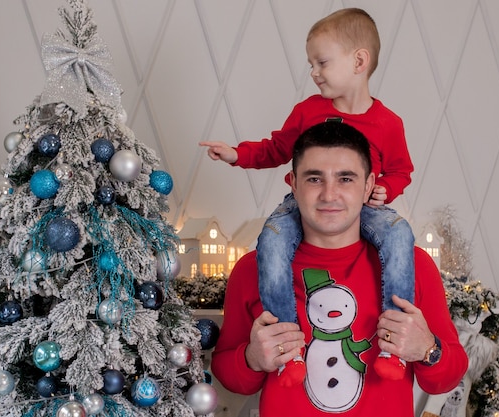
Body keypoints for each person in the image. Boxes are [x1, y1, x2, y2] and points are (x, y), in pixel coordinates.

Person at [200, 8, 414, 383]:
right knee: (272, 237)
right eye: (311, 64)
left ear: (359, 61)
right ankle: (287, 349)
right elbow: (275, 148)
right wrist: (237, 155)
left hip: (367, 207)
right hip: (300, 210)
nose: (313, 72)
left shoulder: (388, 123)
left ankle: (392, 348)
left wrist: (386, 189)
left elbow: (401, 169)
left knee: (400, 233)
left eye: (322, 62)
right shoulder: (308, 111)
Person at [210, 121, 468, 416]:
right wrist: (251, 358)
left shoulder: (414, 265)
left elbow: (448, 377)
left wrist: (428, 349)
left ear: (368, 185)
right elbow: (227, 373)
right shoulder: (252, 269)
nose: (329, 195)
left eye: (345, 179)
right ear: (293, 183)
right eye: (314, 179)